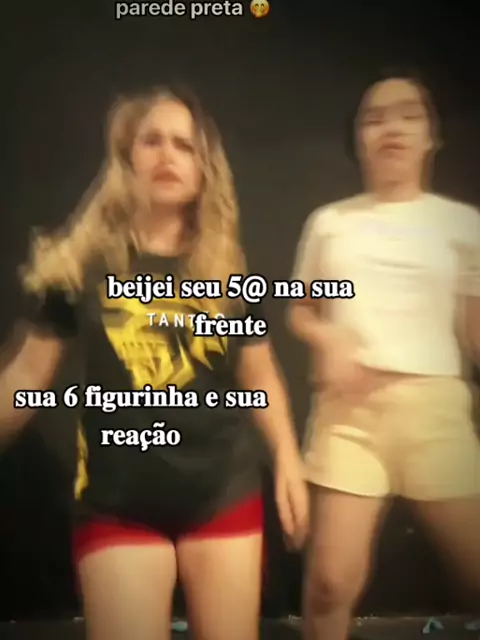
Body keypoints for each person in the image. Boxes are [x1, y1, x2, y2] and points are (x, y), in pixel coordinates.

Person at [0, 86, 308, 640]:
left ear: (204, 169)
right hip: (118, 502)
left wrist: (288, 458)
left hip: (221, 494)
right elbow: (25, 376)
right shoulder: (80, 267)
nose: (168, 155)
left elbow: (259, 375)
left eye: (185, 146)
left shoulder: (227, 271)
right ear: (126, 159)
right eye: (152, 141)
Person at [287, 70, 480, 640]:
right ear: (360, 139)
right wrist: (330, 339)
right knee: (329, 585)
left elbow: (475, 333)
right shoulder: (331, 222)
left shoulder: (463, 224)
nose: (391, 127)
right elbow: (299, 310)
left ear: (430, 136)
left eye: (407, 115)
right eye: (374, 118)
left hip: (436, 414)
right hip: (349, 420)